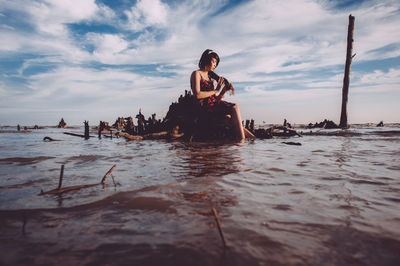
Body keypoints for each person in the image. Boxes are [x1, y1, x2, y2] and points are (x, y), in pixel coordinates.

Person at [190, 49, 255, 140]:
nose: (215, 65)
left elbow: (215, 99)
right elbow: (197, 95)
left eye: (216, 63)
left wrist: (223, 90)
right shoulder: (197, 73)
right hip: (203, 108)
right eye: (213, 61)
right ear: (206, 60)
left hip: (213, 106)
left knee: (232, 117)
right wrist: (216, 90)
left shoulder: (210, 78)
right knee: (233, 110)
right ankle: (242, 143)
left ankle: (250, 140)